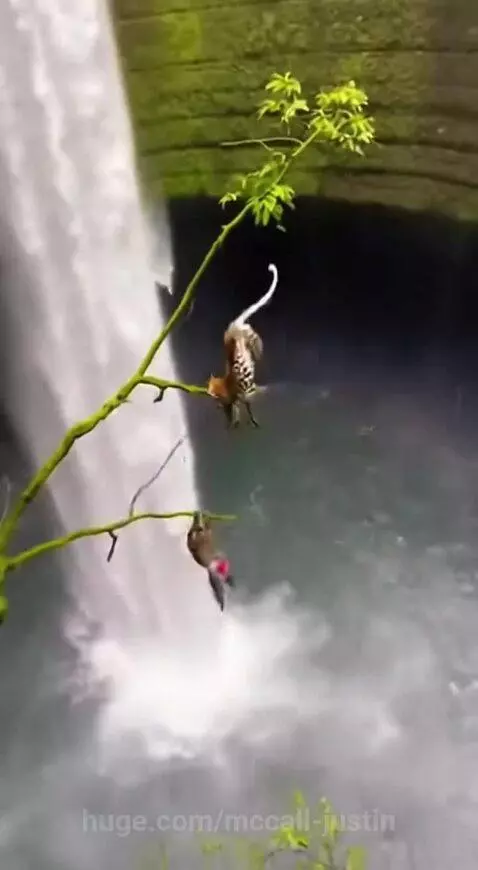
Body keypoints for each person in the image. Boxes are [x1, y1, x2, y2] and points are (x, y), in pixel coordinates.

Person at [186, 511, 235, 611]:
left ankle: (201, 521)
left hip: (205, 557)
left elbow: (217, 585)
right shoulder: (222, 568)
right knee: (205, 538)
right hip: (207, 556)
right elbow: (220, 556)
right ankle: (205, 521)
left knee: (199, 542)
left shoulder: (217, 571)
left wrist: (221, 603)